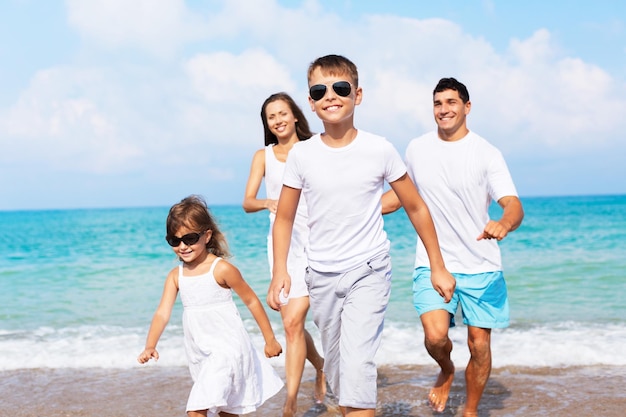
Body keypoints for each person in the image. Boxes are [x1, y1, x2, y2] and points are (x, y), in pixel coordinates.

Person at [268, 54, 453, 417]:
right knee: (339, 377)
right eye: (320, 90)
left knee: (357, 372)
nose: (330, 96)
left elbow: (415, 207)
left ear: (358, 94)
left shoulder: (379, 149)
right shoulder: (302, 156)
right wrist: (280, 271)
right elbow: (285, 218)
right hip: (320, 275)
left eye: (340, 88)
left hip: (368, 269)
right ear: (310, 101)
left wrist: (437, 266)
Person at [382, 77, 524, 416]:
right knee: (434, 337)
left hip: (481, 265)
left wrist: (504, 222)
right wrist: (358, 207)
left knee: (479, 345)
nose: (443, 109)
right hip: (433, 262)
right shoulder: (417, 148)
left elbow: (513, 204)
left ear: (467, 107)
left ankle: (470, 410)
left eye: (451, 102)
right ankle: (446, 370)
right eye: (437, 103)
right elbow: (402, 196)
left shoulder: (487, 153)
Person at [138, 195, 284, 417]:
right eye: (174, 241)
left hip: (228, 350)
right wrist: (150, 345)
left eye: (189, 238)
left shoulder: (221, 269)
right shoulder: (176, 277)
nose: (183, 246)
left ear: (206, 236)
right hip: (201, 352)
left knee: (196, 410)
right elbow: (162, 313)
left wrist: (270, 339)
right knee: (226, 411)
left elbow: (252, 301)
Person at [242, 92, 326, 417]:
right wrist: (268, 202)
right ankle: (313, 374)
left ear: (294, 116)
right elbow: (248, 201)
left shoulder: (313, 148)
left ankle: (293, 400)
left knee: (293, 321)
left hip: (316, 239)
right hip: (282, 246)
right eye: (270, 117)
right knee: (292, 326)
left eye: (282, 114)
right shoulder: (262, 156)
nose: (277, 121)